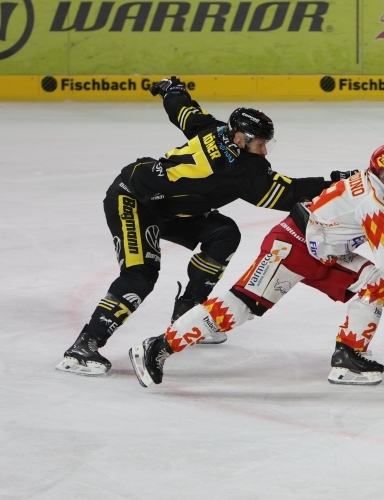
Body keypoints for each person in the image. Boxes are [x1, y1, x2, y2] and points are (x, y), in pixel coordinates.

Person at [57, 76, 350, 376]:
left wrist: (172, 90)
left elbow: (184, 111)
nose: (264, 151)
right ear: (241, 140)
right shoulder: (243, 170)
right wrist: (338, 183)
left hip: (169, 206)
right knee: (139, 275)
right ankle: (83, 347)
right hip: (132, 200)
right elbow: (290, 193)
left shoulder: (215, 129)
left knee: (223, 234)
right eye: (261, 144)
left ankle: (188, 313)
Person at [128, 143, 384, 387]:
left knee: (376, 283)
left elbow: (366, 213)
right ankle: (158, 346)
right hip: (292, 247)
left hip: (324, 250)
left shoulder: (371, 183)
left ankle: (348, 357)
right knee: (241, 307)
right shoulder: (374, 201)